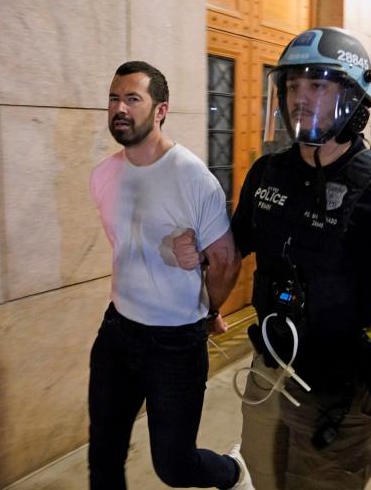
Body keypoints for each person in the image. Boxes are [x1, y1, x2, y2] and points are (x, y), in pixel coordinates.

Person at [175, 28, 371, 488]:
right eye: (293, 85)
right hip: (269, 374)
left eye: (318, 85)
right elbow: (231, 250)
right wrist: (200, 289)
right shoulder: (268, 172)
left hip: (343, 395)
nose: (300, 97)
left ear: (353, 99)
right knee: (261, 472)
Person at [88, 61, 253, 489]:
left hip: (176, 342)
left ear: (161, 110)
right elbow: (126, 247)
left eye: (132, 99)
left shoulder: (193, 178)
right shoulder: (103, 176)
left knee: (174, 466)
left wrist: (209, 308)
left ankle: (233, 473)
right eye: (113, 99)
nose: (119, 109)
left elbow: (226, 261)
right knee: (103, 452)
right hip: (118, 331)